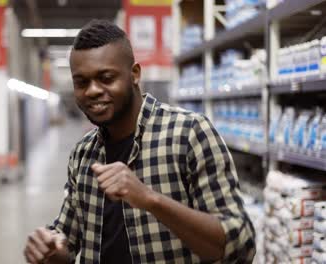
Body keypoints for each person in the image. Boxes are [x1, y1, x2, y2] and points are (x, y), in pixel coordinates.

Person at [23, 19, 256, 264]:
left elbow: (240, 244)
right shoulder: (83, 154)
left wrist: (149, 199)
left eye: (106, 77)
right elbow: (67, 242)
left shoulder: (188, 134)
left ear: (134, 74)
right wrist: (49, 249)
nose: (92, 90)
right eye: (82, 82)